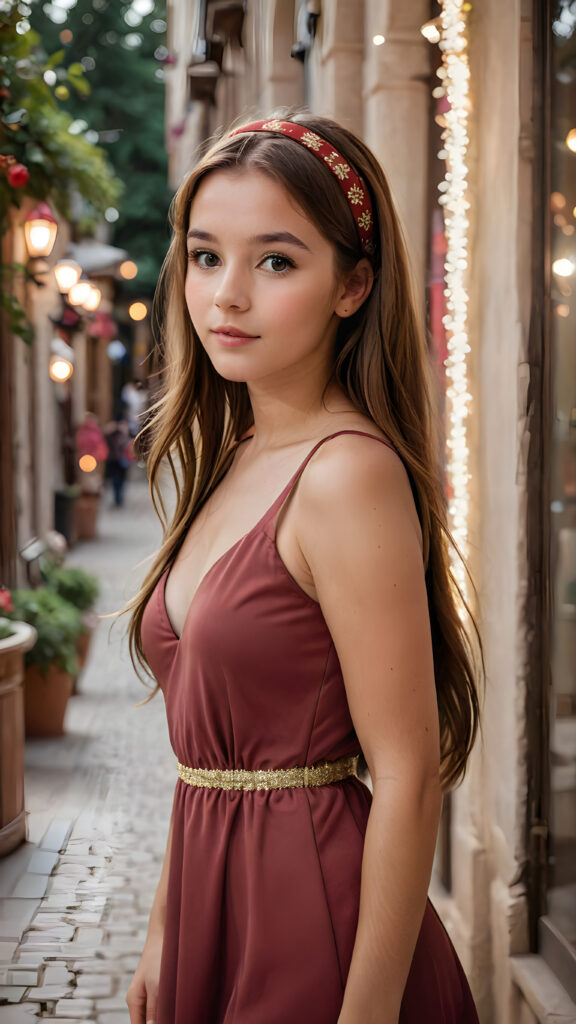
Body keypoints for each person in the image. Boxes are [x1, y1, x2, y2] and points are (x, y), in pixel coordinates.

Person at [124, 113, 483, 1024]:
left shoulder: (348, 475)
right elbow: (205, 766)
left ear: (352, 285)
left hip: (312, 924)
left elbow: (405, 773)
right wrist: (165, 931)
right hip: (214, 904)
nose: (227, 296)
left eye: (276, 261)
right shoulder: (235, 453)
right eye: (207, 257)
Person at [103, 418, 132, 507]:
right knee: (115, 480)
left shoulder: (125, 437)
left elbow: (129, 447)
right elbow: (106, 439)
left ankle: (119, 498)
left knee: (121, 481)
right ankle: (117, 498)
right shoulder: (111, 436)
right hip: (114, 461)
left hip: (123, 461)